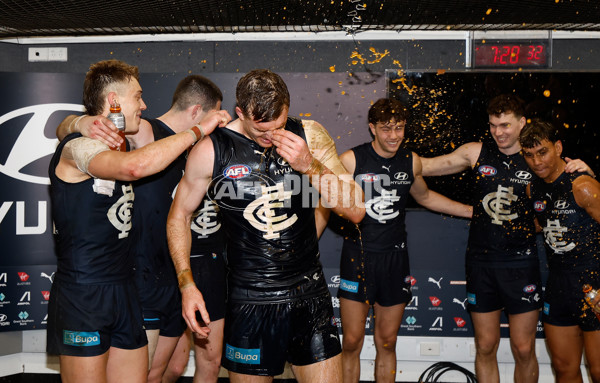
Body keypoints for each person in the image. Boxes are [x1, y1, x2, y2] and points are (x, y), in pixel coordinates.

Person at [166, 68, 365, 383]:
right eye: (262, 130)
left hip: (309, 295)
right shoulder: (211, 150)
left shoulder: (309, 134)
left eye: (280, 124)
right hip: (251, 300)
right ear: (241, 113)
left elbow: (355, 210)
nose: (272, 136)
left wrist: (310, 165)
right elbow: (179, 215)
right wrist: (187, 284)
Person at [47, 59, 230, 383]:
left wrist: (74, 120)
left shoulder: (121, 141)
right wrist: (199, 130)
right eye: (138, 96)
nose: (144, 104)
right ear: (114, 102)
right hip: (83, 294)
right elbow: (134, 168)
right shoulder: (76, 148)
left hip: (126, 288)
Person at [420, 94, 593, 383]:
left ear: (522, 123)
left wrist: (586, 170)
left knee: (524, 348)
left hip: (521, 264)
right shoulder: (475, 152)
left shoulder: (538, 160)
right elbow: (423, 166)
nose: (498, 132)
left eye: (505, 125)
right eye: (492, 125)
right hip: (481, 264)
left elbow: (569, 196)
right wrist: (395, 159)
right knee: (486, 345)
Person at [337, 98, 472, 383]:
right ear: (372, 128)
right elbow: (326, 203)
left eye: (399, 128)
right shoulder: (351, 160)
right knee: (351, 341)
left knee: (387, 342)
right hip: (358, 258)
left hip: (394, 260)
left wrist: (471, 211)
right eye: (386, 129)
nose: (394, 135)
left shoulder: (411, 160)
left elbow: (424, 196)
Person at [520, 119, 600, 383]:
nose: (536, 161)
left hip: (594, 284)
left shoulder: (583, 185)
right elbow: (536, 226)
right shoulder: (534, 188)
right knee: (564, 369)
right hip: (558, 285)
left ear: (557, 147)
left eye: (542, 152)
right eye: (529, 155)